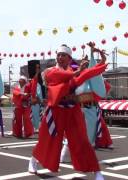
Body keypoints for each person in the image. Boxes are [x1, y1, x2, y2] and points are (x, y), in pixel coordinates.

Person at [28, 44, 107, 180]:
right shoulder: (49, 71)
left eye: (63, 55)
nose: (60, 57)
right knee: (47, 140)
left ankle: (96, 171)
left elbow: (85, 75)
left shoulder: (74, 70)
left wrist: (101, 61)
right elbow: (60, 77)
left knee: (82, 141)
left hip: (72, 112)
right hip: (55, 112)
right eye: (58, 55)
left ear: (70, 58)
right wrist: (77, 72)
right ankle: (33, 160)